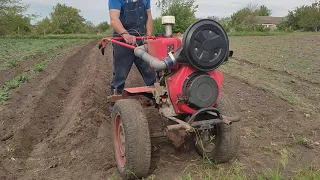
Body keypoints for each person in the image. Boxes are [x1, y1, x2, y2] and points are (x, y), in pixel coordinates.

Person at [108, 0, 156, 111]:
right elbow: (114, 18)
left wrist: (148, 36)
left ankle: (157, 98)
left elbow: (149, 16)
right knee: (120, 74)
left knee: (150, 71)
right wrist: (125, 34)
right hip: (122, 41)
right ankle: (115, 103)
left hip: (141, 39)